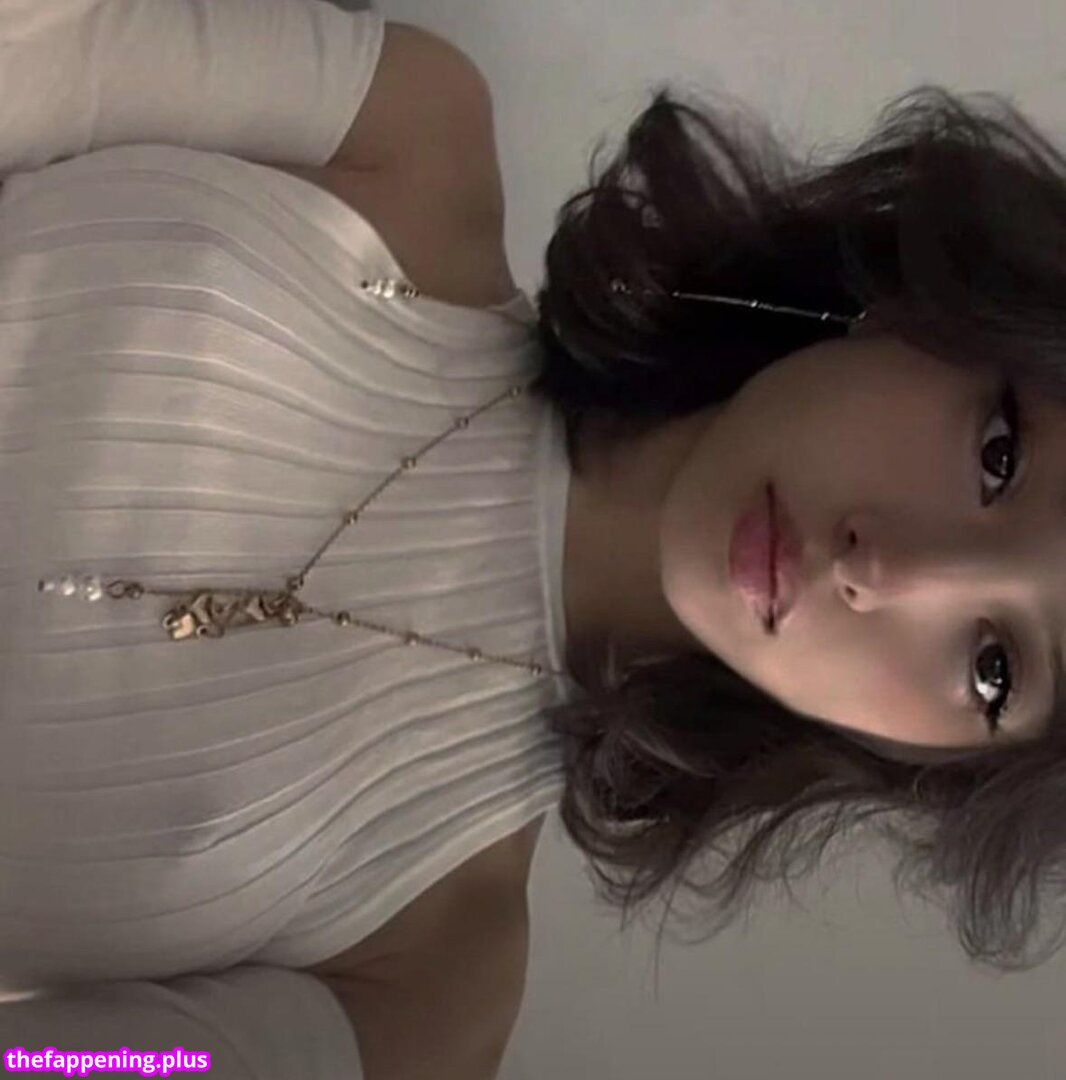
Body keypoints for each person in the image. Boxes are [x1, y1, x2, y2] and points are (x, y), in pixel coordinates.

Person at [1, 1, 1065, 1077]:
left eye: (994, 670)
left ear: (940, 765)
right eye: (998, 454)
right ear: (933, 314)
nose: (885, 569)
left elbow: (60, 1067)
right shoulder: (403, 130)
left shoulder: (419, 997)